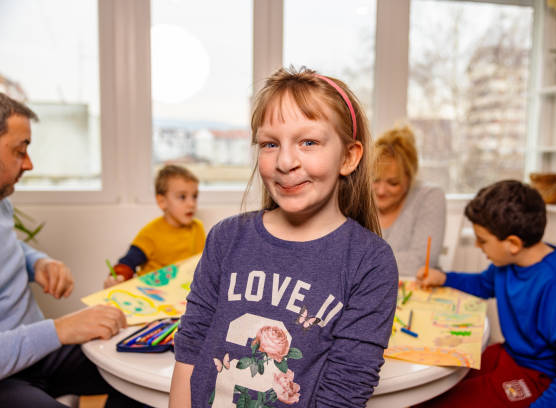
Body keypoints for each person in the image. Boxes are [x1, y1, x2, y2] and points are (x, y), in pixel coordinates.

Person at [169, 67, 398, 408]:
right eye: (270, 144)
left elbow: (344, 393)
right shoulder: (226, 238)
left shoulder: (370, 262)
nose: (286, 161)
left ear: (348, 157)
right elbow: (190, 350)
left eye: (309, 142)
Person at [0, 92, 141, 406]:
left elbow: (10, 247)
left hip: (37, 354)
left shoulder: (2, 203)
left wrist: (37, 262)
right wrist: (61, 329)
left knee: (133, 369)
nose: (29, 163)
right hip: (7, 376)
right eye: (19, 150)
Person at [416, 180, 556, 408]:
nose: (478, 246)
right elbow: (483, 284)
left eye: (483, 240)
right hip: (517, 358)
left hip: (550, 382)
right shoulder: (509, 264)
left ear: (513, 243)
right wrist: (444, 278)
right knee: (434, 387)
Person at [104, 164, 206, 288]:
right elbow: (128, 262)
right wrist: (118, 277)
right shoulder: (150, 233)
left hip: (183, 294)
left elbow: (205, 263)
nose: (191, 204)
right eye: (182, 197)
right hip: (154, 294)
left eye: (194, 196)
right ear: (162, 202)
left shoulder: (198, 227)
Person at [372, 126, 446, 277]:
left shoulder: (430, 196)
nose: (380, 191)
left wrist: (361, 262)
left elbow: (421, 263)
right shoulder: (359, 196)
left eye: (393, 183)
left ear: (409, 179)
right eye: (374, 180)